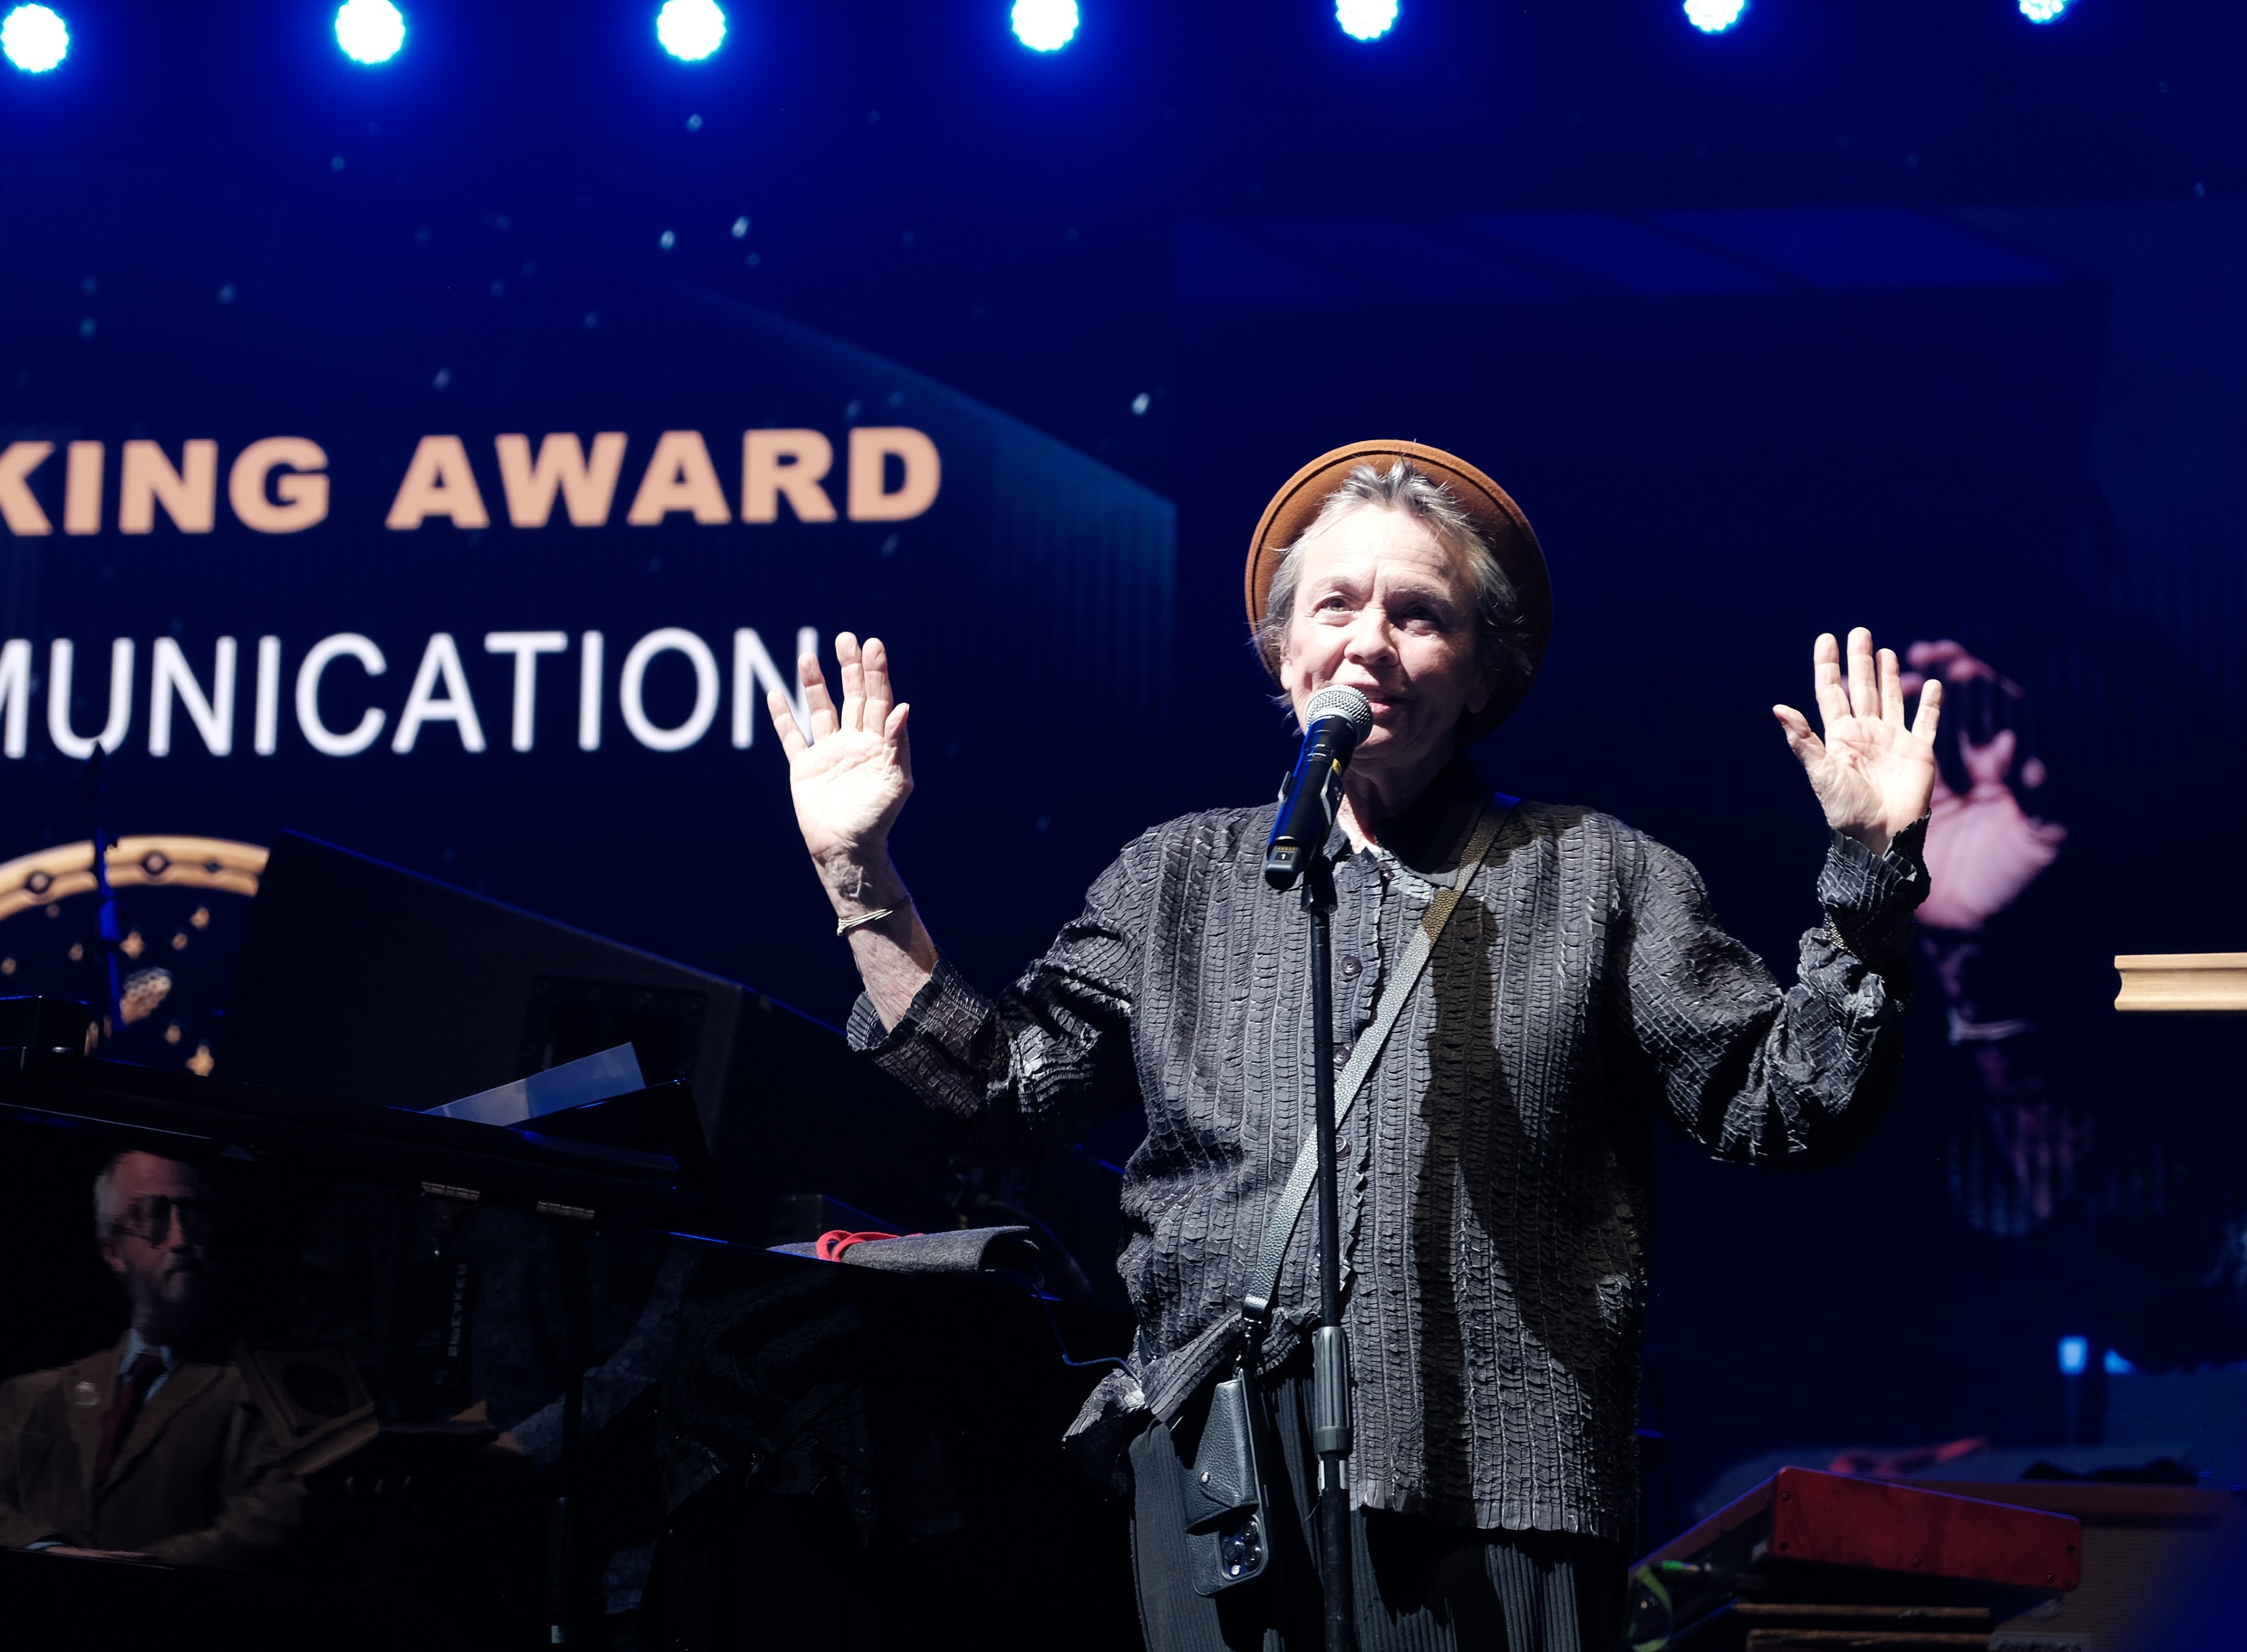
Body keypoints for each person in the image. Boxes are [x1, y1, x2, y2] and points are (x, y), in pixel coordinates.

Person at [763, 441, 1942, 1651]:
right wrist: (861, 878)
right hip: (1220, 1476)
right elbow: (999, 1092)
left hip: (1503, 1482)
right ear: (1283, 654)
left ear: (1484, 673)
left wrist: (1869, 879)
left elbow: (1790, 1104)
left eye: (1421, 614)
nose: (1370, 641)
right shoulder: (1178, 877)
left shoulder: (1599, 874)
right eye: (1336, 605)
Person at [0, 1149, 301, 1567]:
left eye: (192, 1214)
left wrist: (137, 1570)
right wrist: (47, 1550)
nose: (180, 1239)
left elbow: (270, 1517)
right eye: (153, 1215)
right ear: (113, 1251)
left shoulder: (258, 1392)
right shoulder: (36, 1393)